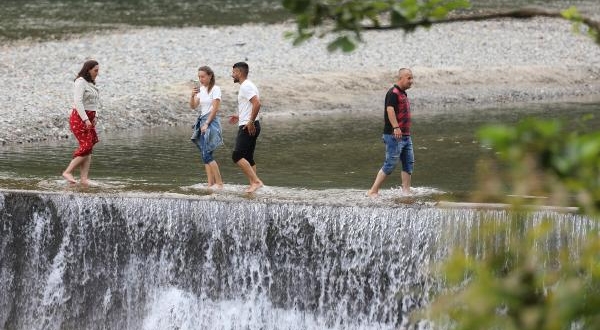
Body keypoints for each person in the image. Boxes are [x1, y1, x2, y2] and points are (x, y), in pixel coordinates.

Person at [367, 68, 415, 197]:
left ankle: (406, 191)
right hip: (394, 135)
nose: (411, 81)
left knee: (408, 162)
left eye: (412, 78)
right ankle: (373, 190)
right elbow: (390, 110)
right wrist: (396, 127)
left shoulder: (403, 93)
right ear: (400, 78)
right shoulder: (393, 93)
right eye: (408, 78)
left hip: (406, 135)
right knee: (390, 163)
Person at [62, 59, 100, 186]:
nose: (97, 73)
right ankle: (68, 172)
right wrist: (85, 119)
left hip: (89, 118)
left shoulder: (91, 83)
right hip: (79, 118)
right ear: (88, 70)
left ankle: (84, 179)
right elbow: (78, 102)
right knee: (87, 145)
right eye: (96, 70)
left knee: (89, 147)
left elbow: (95, 103)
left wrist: (96, 116)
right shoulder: (80, 82)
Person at [229, 62, 264, 193]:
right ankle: (253, 183)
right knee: (248, 157)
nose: (232, 75)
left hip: (248, 126)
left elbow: (257, 103)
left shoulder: (245, 86)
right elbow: (251, 105)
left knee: (236, 156)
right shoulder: (249, 85)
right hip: (250, 123)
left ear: (239, 72)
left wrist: (249, 121)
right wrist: (240, 116)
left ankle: (256, 182)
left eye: (233, 73)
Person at [190, 65, 224, 189]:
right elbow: (193, 106)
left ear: (210, 76)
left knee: (207, 154)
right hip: (202, 121)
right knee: (205, 154)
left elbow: (215, 108)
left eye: (203, 76)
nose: (201, 79)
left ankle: (219, 183)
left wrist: (207, 123)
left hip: (211, 121)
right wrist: (192, 95)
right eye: (199, 77)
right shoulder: (201, 90)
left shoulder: (216, 89)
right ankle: (210, 183)